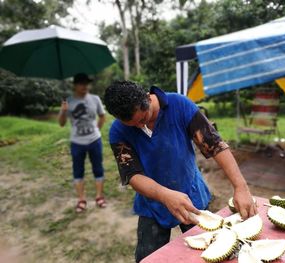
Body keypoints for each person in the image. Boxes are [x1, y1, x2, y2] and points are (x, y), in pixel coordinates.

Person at [104, 81, 257, 262]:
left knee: (212, 253)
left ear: (147, 97)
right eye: (132, 125)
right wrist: (164, 195)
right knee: (148, 259)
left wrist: (241, 186)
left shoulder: (179, 105)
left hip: (192, 195)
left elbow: (215, 145)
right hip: (152, 203)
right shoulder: (118, 130)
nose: (139, 127)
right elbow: (132, 174)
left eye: (143, 119)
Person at [58, 73, 106, 212]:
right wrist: (63, 111)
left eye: (87, 83)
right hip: (77, 142)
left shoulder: (95, 99)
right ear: (75, 85)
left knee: (98, 168)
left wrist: (96, 129)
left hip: (94, 140)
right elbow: (61, 124)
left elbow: (102, 116)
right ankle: (81, 199)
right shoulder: (68, 101)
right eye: (81, 83)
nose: (85, 86)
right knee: (78, 171)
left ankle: (99, 196)